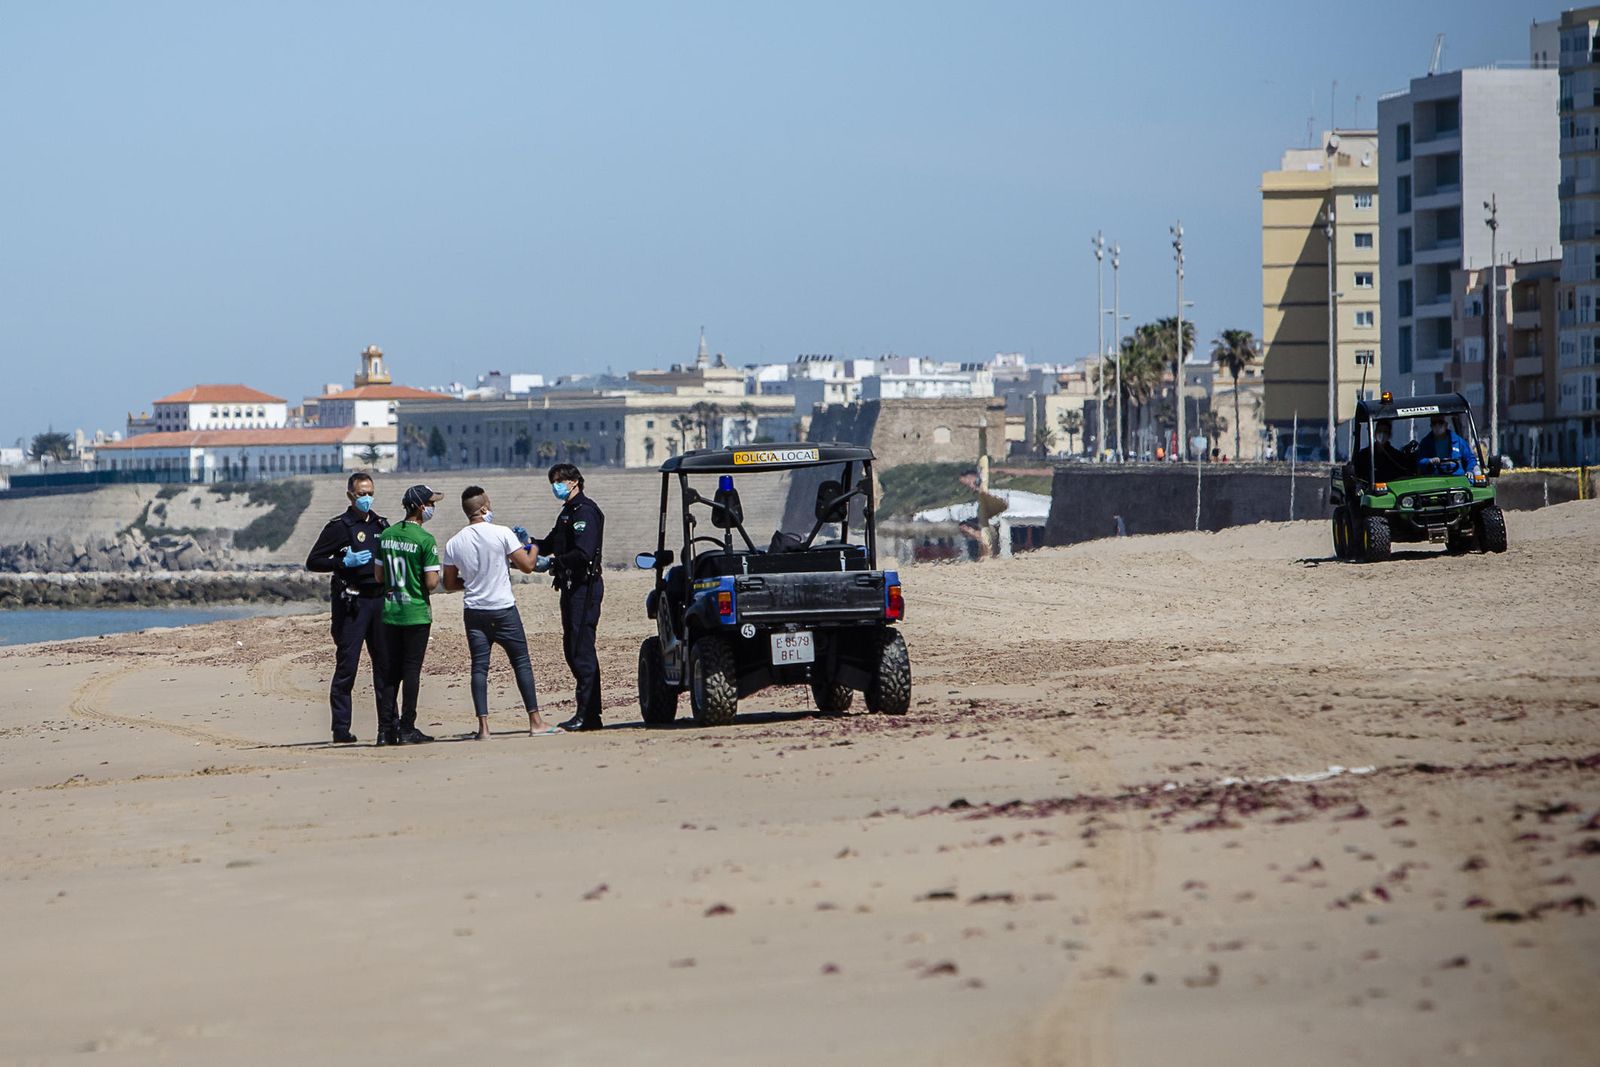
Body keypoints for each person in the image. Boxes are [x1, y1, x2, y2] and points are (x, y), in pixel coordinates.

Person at [441, 485, 551, 740]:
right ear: (483, 508)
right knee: (521, 662)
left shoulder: (454, 542)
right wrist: (531, 545)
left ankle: (484, 728)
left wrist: (470, 583)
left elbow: (448, 584)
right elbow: (526, 565)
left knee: (479, 668)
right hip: (503, 609)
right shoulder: (502, 533)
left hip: (474, 611)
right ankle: (535, 721)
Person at [305, 471, 393, 745]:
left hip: (379, 601)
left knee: (385, 668)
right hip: (352, 604)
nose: (366, 498)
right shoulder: (339, 527)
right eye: (361, 494)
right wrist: (343, 562)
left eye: (369, 493)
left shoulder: (382, 525)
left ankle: (388, 727)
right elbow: (314, 561)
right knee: (347, 668)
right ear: (350, 496)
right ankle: (341, 728)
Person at [523, 463, 605, 732]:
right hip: (570, 588)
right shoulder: (567, 514)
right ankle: (587, 712)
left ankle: (589, 715)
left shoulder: (585, 512)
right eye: (553, 481)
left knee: (581, 650)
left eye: (559, 481)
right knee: (572, 649)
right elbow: (550, 543)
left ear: (574, 482)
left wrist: (552, 564)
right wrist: (528, 543)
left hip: (584, 587)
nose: (555, 486)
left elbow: (583, 553)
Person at [376, 484, 443, 744]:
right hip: (415, 613)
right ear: (420, 507)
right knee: (411, 671)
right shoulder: (425, 540)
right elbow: (430, 582)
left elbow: (379, 575)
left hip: (391, 610)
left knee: (389, 672)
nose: (433, 508)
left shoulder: (387, 535)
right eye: (431, 503)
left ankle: (384, 730)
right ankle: (407, 727)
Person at [1351, 419, 1415, 483]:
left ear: (1389, 435)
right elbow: (1358, 475)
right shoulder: (1363, 455)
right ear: (1375, 433)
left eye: (1385, 432)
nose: (1382, 434)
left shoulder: (1396, 456)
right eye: (1380, 431)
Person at [1415, 414, 1479, 477]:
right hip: (1435, 478)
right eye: (1434, 423)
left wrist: (1469, 470)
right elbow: (1420, 461)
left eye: (1440, 422)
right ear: (1431, 426)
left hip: (1458, 477)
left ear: (1446, 425)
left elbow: (1470, 459)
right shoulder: (1426, 443)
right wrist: (1430, 460)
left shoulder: (1457, 440)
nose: (1437, 425)